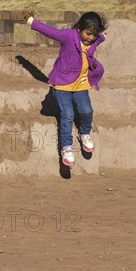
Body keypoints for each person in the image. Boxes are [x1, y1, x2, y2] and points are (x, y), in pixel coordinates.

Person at [24, 12, 107, 167]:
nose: (90, 38)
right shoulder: (69, 36)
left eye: (93, 35)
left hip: (80, 85)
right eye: (88, 34)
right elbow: (50, 31)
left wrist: (102, 36)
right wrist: (32, 22)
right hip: (62, 85)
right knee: (67, 114)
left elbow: (100, 39)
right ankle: (66, 148)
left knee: (87, 110)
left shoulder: (94, 40)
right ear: (80, 28)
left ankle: (84, 134)